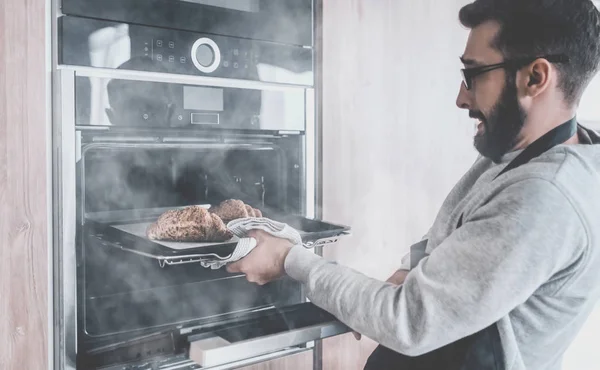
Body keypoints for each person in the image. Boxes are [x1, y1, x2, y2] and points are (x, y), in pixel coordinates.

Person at [226, 0, 600, 369]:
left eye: (474, 74)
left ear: (535, 78)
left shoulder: (545, 197)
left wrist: (289, 258)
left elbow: (410, 322)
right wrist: (408, 272)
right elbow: (457, 228)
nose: (460, 97)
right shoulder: (530, 147)